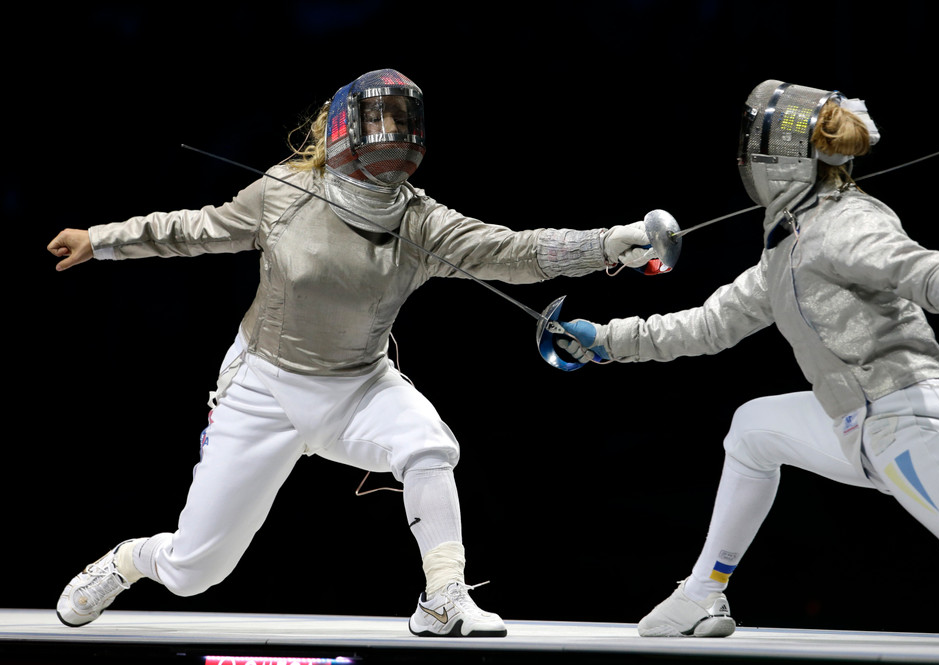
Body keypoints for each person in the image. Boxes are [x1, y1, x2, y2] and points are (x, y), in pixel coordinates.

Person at [48, 68, 655, 637]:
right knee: (193, 571)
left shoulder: (420, 221)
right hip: (262, 387)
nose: (393, 134)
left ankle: (443, 598)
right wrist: (100, 241)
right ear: (346, 128)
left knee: (427, 443)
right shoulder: (286, 192)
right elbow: (193, 229)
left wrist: (607, 245)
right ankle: (132, 559)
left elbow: (513, 250)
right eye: (380, 121)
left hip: (358, 385)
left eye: (403, 122)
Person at [555, 79, 939, 637]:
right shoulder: (787, 250)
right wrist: (606, 340)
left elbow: (915, 267)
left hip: (903, 421)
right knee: (753, 428)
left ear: (777, 159)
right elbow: (709, 325)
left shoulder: (846, 221)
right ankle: (703, 593)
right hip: (863, 422)